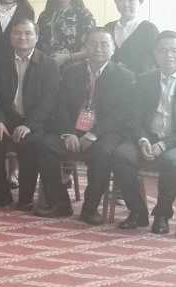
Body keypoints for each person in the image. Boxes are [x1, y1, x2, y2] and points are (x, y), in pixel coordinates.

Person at [112, 31, 176, 233]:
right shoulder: (143, 80)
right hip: (148, 137)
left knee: (173, 161)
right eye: (163, 50)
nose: (169, 55)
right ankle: (137, 211)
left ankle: (162, 214)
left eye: (175, 51)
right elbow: (133, 118)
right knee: (121, 155)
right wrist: (142, 139)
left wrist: (164, 145)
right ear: (155, 54)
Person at [32, 28, 134, 221]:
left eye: (104, 44)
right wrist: (67, 132)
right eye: (93, 44)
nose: (98, 48)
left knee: (103, 153)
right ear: (85, 48)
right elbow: (60, 105)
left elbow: (120, 115)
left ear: (113, 49)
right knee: (45, 146)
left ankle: (90, 208)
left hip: (104, 132)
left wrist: (93, 134)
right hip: (73, 130)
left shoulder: (124, 76)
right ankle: (60, 203)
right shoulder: (71, 72)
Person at [0, 17, 59, 210]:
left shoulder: (49, 65)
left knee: (29, 142)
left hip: (34, 122)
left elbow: (49, 102)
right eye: (17, 33)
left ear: (36, 37)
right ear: (11, 37)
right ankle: (1, 195)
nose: (22, 37)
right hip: (6, 119)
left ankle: (25, 198)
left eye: (27, 33)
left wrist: (29, 125)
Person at [36, 0, 96, 67]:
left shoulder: (84, 15)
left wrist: (68, 57)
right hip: (46, 67)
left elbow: (92, 48)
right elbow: (37, 44)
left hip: (75, 68)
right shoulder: (44, 16)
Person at [105, 0, 159, 76]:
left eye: (131, 0)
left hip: (140, 81)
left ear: (140, 2)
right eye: (121, 0)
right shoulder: (108, 28)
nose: (126, 4)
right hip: (111, 79)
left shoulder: (150, 29)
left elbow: (156, 60)